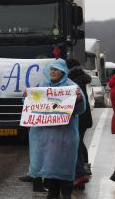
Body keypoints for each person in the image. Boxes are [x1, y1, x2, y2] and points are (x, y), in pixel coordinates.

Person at [23, 58, 85, 199]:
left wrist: (79, 100)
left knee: (64, 169)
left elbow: (81, 110)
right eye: (51, 69)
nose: (52, 72)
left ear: (63, 71)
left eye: (56, 69)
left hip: (65, 137)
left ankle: (67, 194)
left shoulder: (72, 87)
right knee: (49, 170)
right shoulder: (43, 86)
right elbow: (32, 106)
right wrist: (26, 97)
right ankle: (52, 193)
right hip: (46, 138)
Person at [66, 59, 93, 188]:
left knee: (76, 144)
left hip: (79, 117)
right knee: (79, 142)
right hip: (84, 117)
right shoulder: (81, 78)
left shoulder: (74, 81)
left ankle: (81, 172)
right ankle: (84, 168)